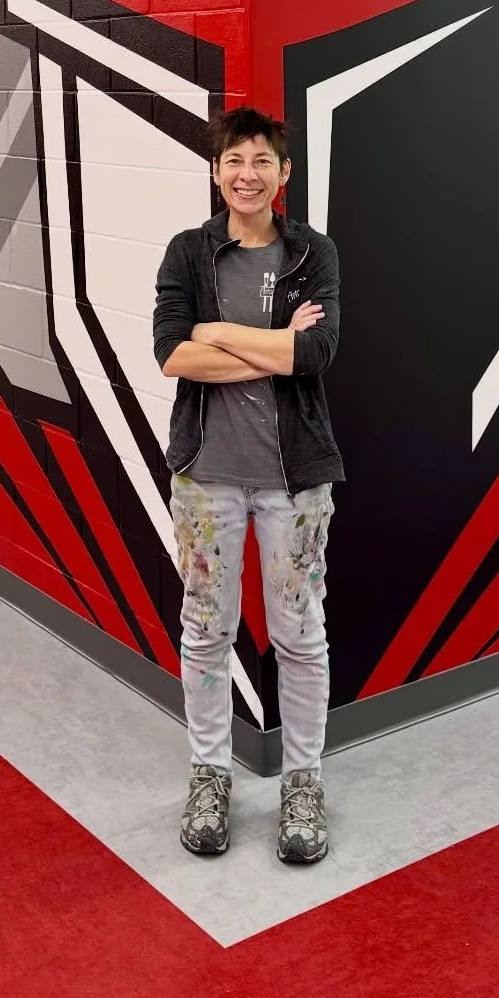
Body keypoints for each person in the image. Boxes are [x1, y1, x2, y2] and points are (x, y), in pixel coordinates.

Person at [152, 107, 344, 863]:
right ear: (216, 170)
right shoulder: (189, 253)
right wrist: (272, 346)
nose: (247, 173)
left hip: (293, 480)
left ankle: (303, 780)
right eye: (235, 159)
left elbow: (317, 351)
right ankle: (209, 772)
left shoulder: (313, 254)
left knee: (299, 633)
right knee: (207, 630)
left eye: (262, 160)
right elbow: (173, 354)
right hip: (208, 477)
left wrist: (218, 333)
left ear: (283, 174)